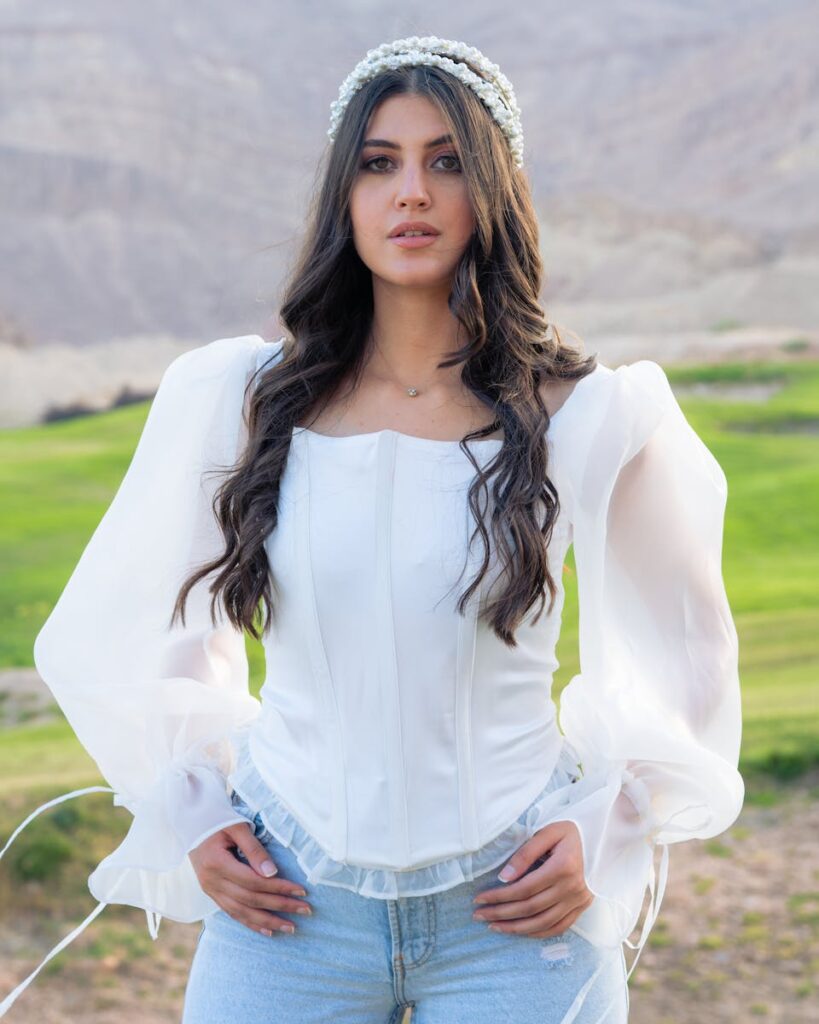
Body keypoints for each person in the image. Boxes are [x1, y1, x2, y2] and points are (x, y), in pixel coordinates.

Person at [0, 35, 744, 1023]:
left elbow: (691, 653)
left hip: (515, 918)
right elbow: (138, 622)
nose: (413, 193)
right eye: (379, 163)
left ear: (494, 191)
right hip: (288, 912)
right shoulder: (239, 400)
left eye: (447, 162)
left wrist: (614, 819)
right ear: (343, 196)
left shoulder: (591, 416)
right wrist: (188, 805)